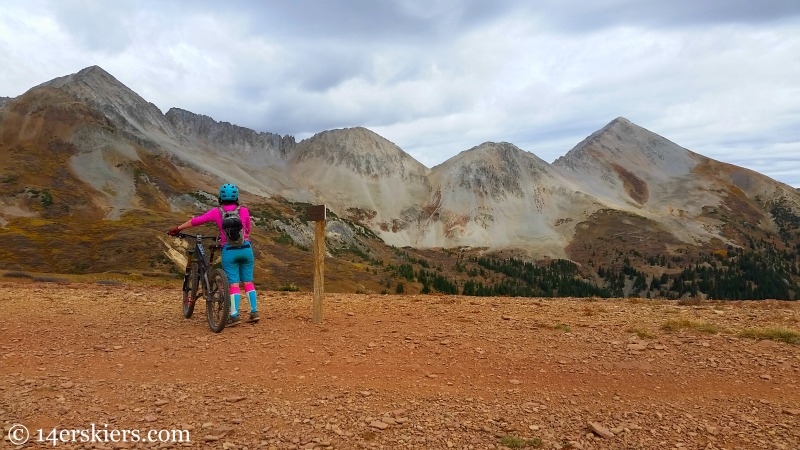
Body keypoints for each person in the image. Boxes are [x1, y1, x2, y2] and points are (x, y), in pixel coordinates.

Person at [169, 183, 259, 326]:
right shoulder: (244, 211)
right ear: (236, 197)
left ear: (221, 197)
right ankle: (254, 312)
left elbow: (196, 221)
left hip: (229, 251)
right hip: (246, 249)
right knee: (248, 282)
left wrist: (178, 228)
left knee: (234, 283)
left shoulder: (217, 212)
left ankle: (234, 316)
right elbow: (248, 228)